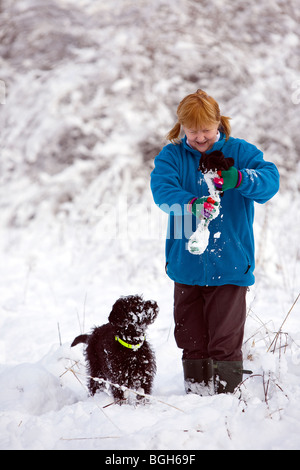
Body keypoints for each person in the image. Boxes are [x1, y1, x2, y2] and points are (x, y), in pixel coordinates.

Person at [150, 89, 280, 395]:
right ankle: (196, 400)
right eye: (192, 131)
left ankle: (225, 402)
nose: (199, 137)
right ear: (182, 127)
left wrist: (239, 179)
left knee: (224, 340)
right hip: (186, 263)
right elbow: (162, 192)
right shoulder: (172, 156)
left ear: (218, 123)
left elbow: (269, 182)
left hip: (231, 262)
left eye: (206, 130)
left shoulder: (240, 151)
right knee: (191, 340)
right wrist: (192, 203)